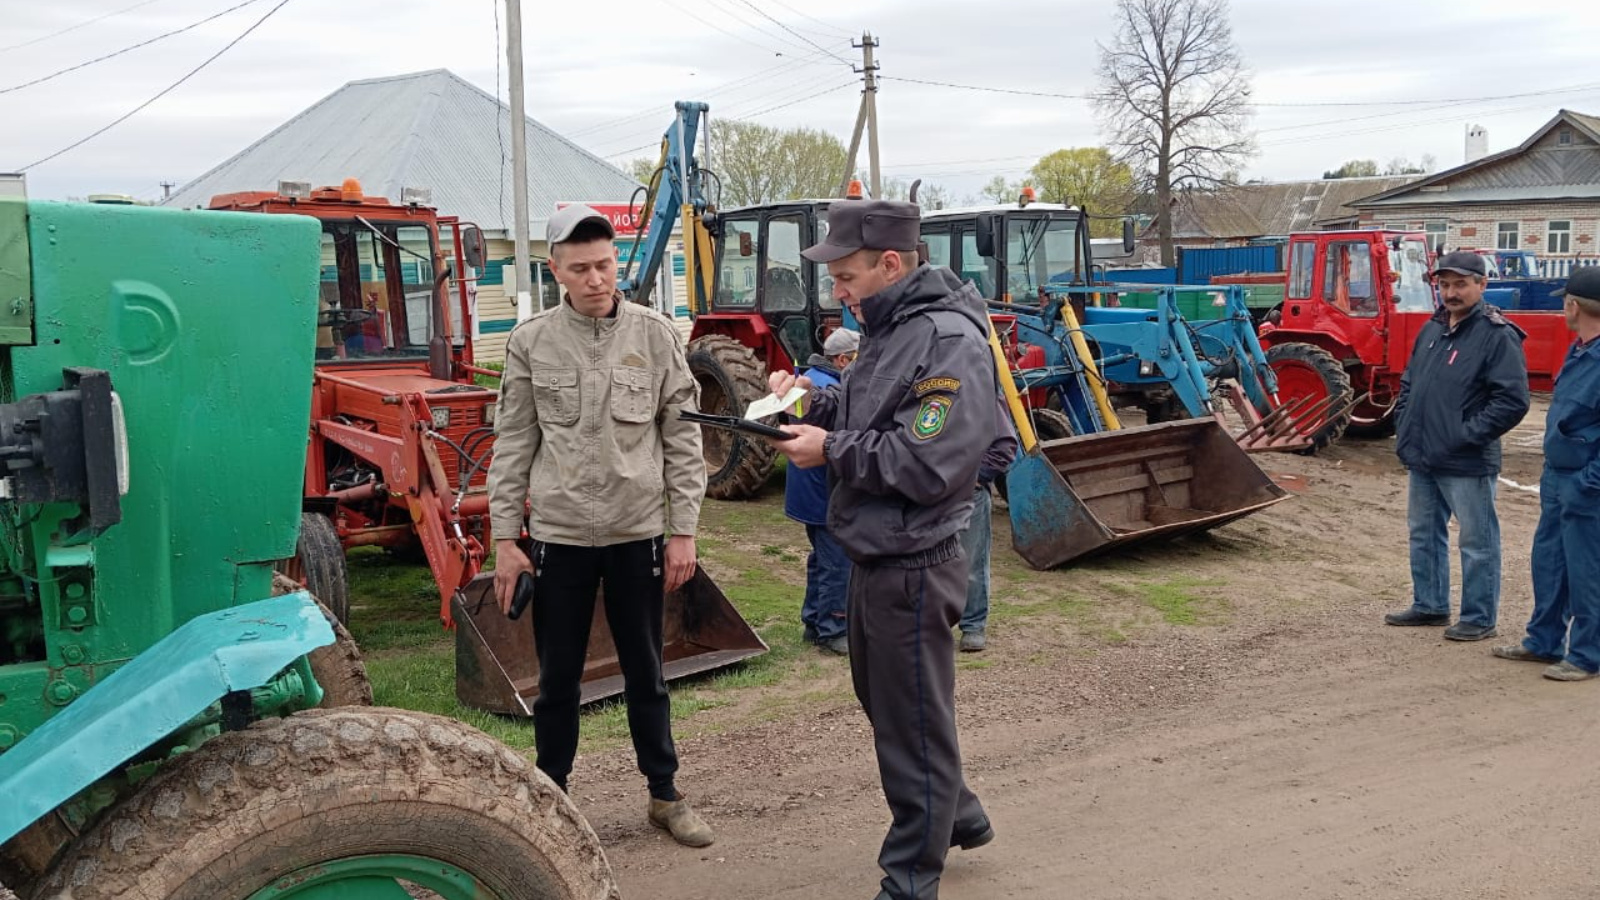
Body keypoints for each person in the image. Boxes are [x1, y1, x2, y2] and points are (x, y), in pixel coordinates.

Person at [766, 199, 1009, 900]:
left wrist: (830, 450)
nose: (836, 291)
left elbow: (928, 462)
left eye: (845, 276)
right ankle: (958, 812)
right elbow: (868, 410)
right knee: (892, 708)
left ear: (891, 264)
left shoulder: (945, 340)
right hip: (876, 551)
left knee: (912, 728)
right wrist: (808, 404)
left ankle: (909, 879)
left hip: (916, 559)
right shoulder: (888, 327)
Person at [486, 203, 714, 848]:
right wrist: (506, 541)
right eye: (580, 268)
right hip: (558, 537)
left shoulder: (655, 336)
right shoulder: (531, 342)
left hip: (636, 532)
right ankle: (550, 795)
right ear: (555, 269)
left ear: (619, 263)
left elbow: (683, 440)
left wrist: (683, 531)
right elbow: (512, 445)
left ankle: (664, 795)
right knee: (558, 677)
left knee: (646, 669)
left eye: (605, 265)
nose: (596, 279)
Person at [1385, 250, 1530, 641]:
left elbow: (1513, 401)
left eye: (1461, 284)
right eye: (1445, 284)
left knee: (1476, 540)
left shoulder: (1497, 335)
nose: (1451, 292)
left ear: (1482, 286)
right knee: (1423, 532)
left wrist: (1465, 435)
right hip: (1423, 454)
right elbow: (1411, 382)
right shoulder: (1432, 329)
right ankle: (1430, 605)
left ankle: (1479, 617)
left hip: (1466, 460)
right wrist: (1404, 424)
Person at [1493, 266, 1600, 681]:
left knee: (1586, 570)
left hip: (1585, 482)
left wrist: (1588, 484)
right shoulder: (1581, 350)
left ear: (1573, 305)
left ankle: (1588, 655)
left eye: (1564, 302)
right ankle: (1543, 640)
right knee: (1549, 561)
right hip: (1559, 476)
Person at [784, 327, 860, 656]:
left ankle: (813, 621)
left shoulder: (810, 377)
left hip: (807, 493)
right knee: (837, 564)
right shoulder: (830, 388)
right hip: (824, 494)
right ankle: (834, 628)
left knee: (821, 559)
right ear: (842, 359)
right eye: (858, 359)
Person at [957, 402, 1018, 652]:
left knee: (971, 562)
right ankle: (929, 626)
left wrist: (978, 476)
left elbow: (1005, 444)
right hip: (929, 490)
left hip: (968, 492)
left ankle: (972, 624)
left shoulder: (981, 391)